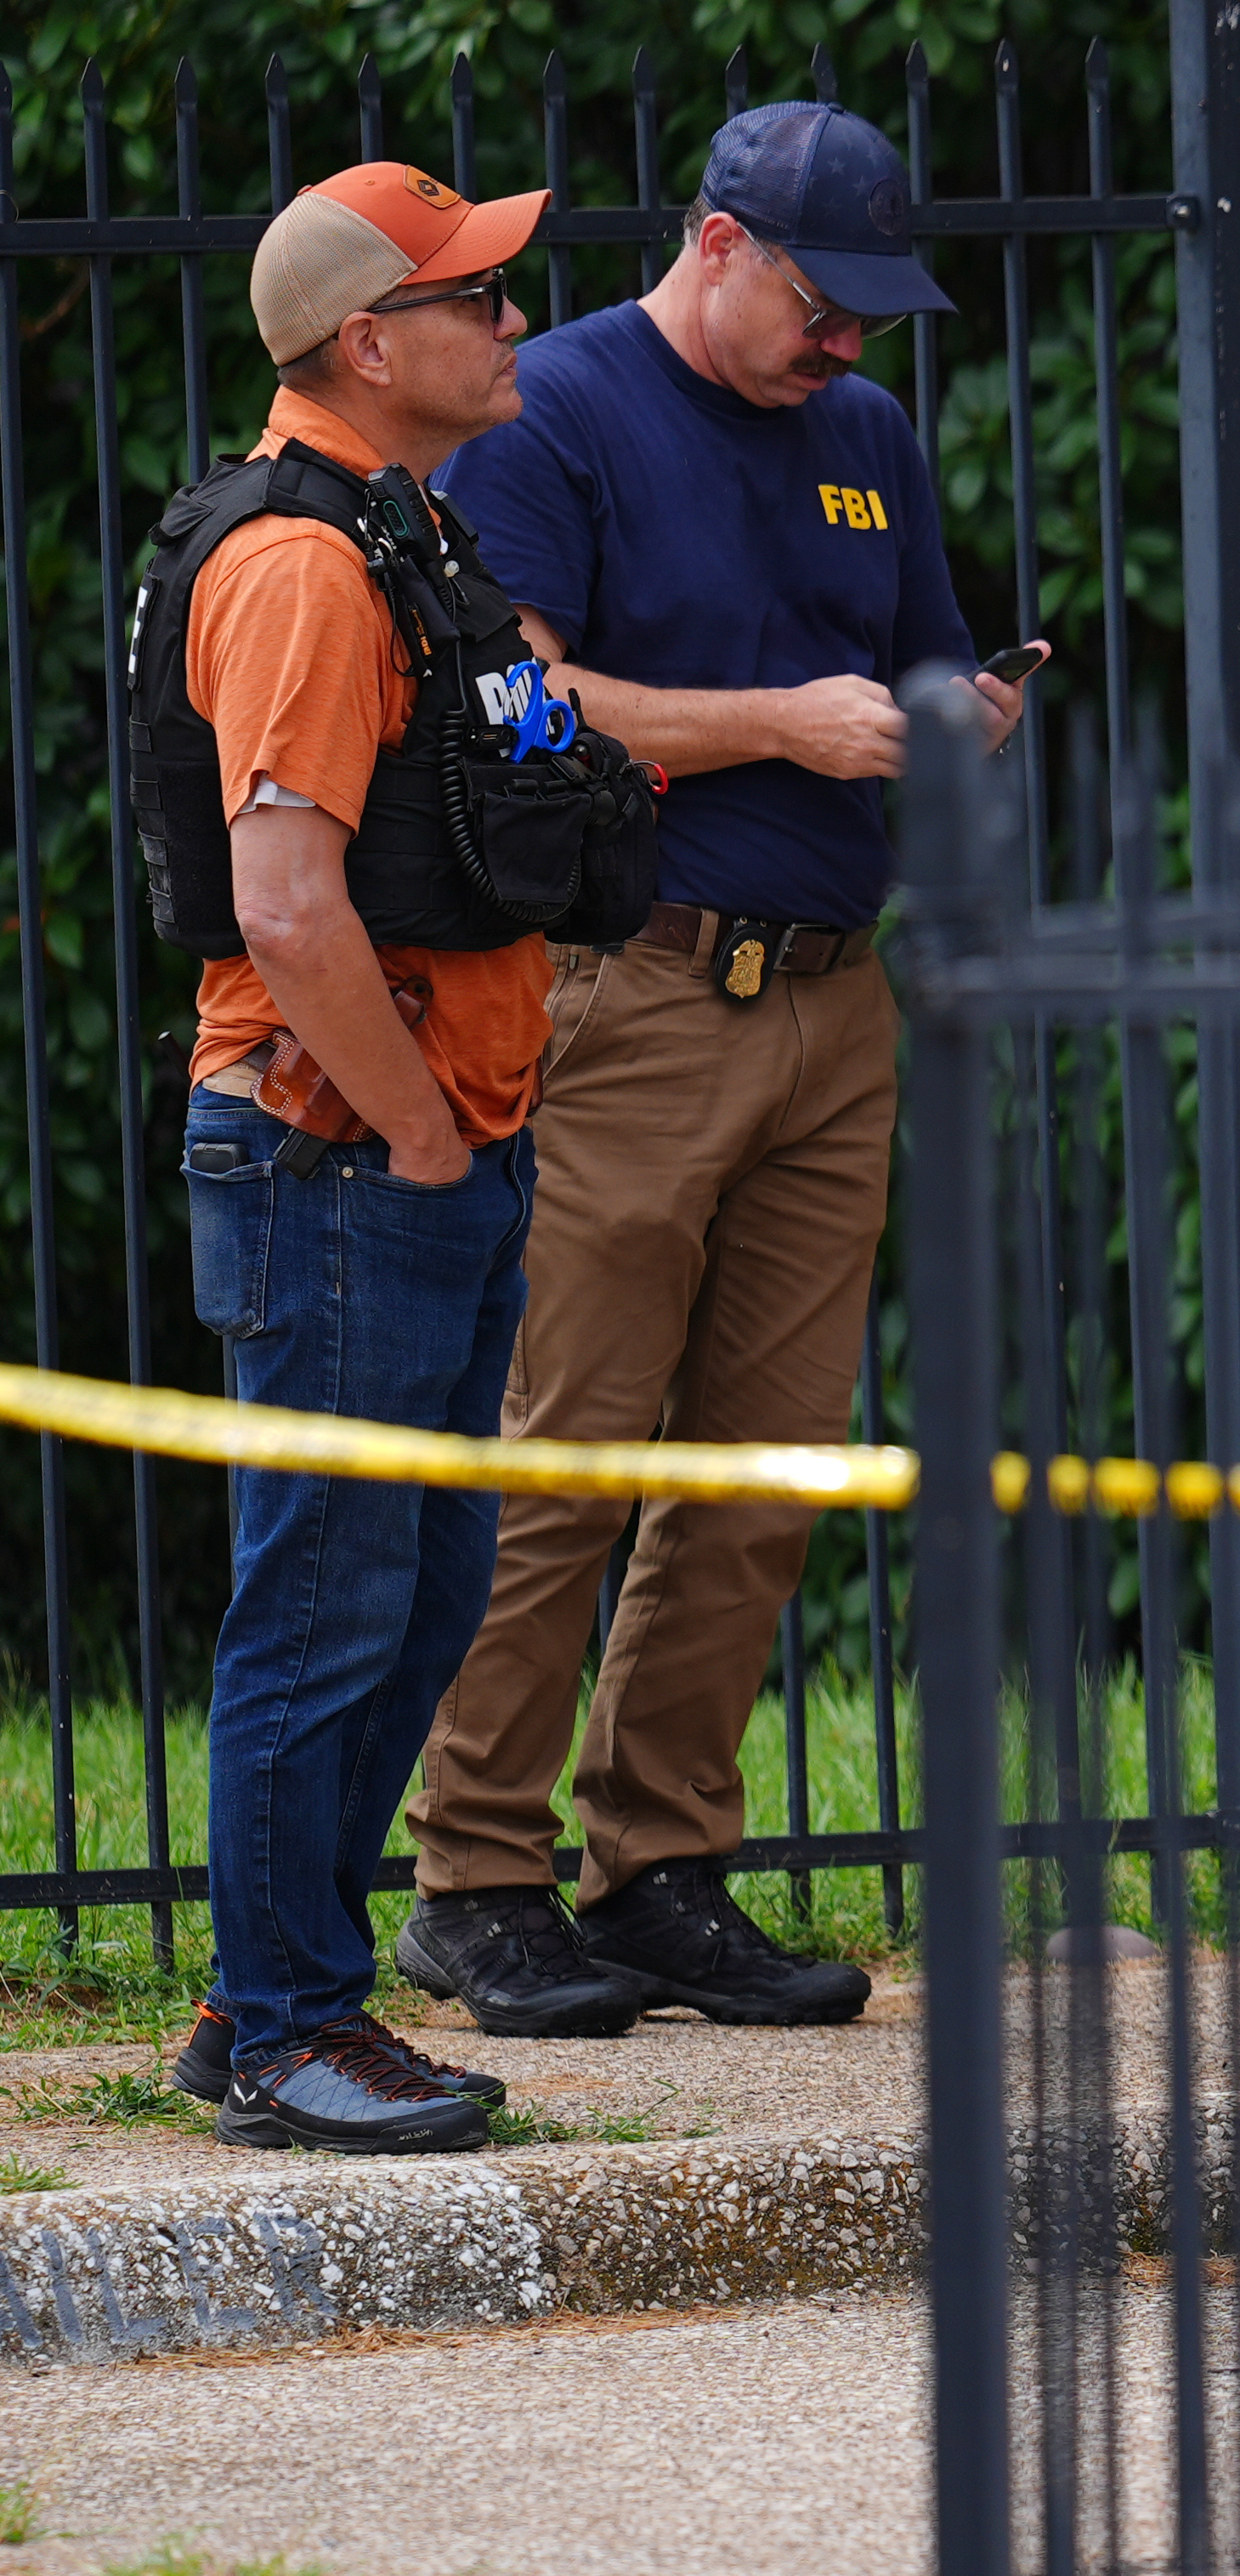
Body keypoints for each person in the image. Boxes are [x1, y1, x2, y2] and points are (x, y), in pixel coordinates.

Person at [396, 102, 1031, 2039]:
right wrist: (782, 726)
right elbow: (515, 702)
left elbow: (911, 667)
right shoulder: (557, 412)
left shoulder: (867, 434)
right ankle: (474, 1873)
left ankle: (659, 1865)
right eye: (824, 304)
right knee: (570, 1447)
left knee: (761, 1466)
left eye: (873, 317)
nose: (847, 343)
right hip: (635, 987)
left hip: (838, 996)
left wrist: (954, 717)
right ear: (720, 241)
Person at [150, 165, 591, 2147]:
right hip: (344, 1152)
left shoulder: (396, 524)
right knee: (328, 1599)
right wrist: (418, 1132)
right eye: (475, 297)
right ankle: (285, 2031)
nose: (512, 323)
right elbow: (284, 901)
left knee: (406, 1597)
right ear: (367, 344)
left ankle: (273, 1993)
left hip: (423, 1143)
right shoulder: (303, 571)